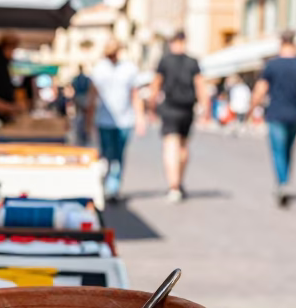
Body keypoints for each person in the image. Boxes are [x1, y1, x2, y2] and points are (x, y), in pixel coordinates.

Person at [251, 31, 296, 207]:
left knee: (278, 150)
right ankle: (285, 180)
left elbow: (260, 90)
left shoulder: (272, 65)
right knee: (289, 149)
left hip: (275, 114)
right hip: (295, 115)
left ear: (280, 43)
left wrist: (251, 109)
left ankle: (282, 183)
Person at [149, 30, 209, 202]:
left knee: (170, 145)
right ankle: (179, 180)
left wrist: (152, 107)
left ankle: (173, 184)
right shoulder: (192, 62)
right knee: (183, 146)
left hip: (169, 107)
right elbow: (200, 85)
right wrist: (205, 107)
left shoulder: (165, 61)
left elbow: (156, 85)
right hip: (187, 108)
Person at [87, 41, 145, 202]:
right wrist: (89, 120)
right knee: (107, 155)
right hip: (104, 120)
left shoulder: (129, 69)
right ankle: (105, 184)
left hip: (124, 120)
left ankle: (113, 188)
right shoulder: (99, 69)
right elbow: (92, 97)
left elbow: (135, 95)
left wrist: (140, 118)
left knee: (118, 155)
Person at [71, 65, 92, 145]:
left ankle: (84, 133)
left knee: (81, 116)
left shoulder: (78, 79)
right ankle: (84, 134)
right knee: (83, 116)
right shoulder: (84, 79)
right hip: (82, 97)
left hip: (80, 97)